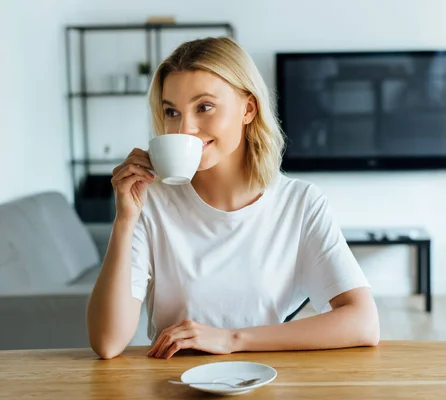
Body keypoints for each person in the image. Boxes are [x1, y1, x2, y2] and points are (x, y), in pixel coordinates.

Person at [87, 37, 380, 360]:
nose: (185, 129)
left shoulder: (299, 204)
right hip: (173, 385)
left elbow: (363, 322)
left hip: (264, 383)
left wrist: (231, 339)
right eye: (172, 111)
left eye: (205, 107)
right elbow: (107, 342)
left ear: (248, 109)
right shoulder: (150, 202)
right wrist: (125, 220)